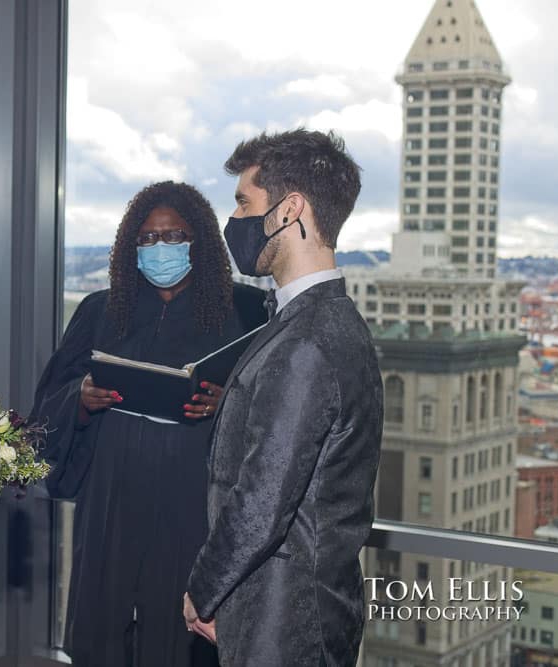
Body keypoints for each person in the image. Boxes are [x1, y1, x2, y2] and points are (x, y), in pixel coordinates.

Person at [32, 181, 267, 667]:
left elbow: (273, 407)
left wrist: (229, 402)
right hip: (111, 497)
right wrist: (79, 400)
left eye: (174, 236)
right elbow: (47, 405)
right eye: (148, 239)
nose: (161, 248)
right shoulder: (101, 310)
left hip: (193, 501)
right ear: (130, 248)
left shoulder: (242, 310)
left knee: (182, 635)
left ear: (198, 240)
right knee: (100, 629)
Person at [182, 129, 383, 666]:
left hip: (285, 623)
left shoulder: (309, 341)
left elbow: (262, 499)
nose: (235, 224)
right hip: (295, 613)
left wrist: (202, 590)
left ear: (290, 209)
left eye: (244, 204)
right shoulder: (327, 322)